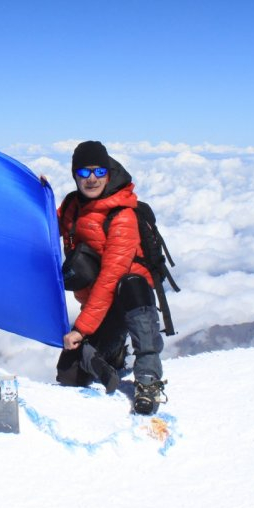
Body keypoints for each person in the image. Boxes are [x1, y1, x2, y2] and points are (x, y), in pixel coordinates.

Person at [55, 140, 167, 415]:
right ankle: (113, 352)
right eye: (83, 173)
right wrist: (36, 192)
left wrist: (81, 329)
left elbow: (109, 278)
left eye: (98, 172)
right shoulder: (73, 206)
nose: (91, 179)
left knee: (131, 283)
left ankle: (148, 379)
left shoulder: (122, 216)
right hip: (97, 307)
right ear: (74, 175)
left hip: (128, 303)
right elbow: (42, 225)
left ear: (108, 172)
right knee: (69, 375)